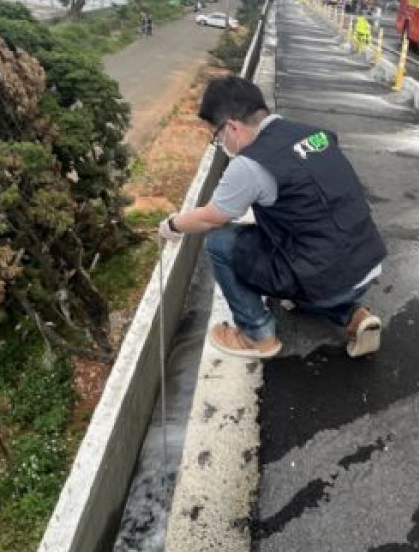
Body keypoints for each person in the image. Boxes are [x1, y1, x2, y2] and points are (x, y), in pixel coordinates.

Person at [159, 75, 386, 359]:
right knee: (304, 248)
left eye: (217, 136)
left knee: (220, 242)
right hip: (365, 264)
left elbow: (211, 217)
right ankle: (354, 316)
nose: (220, 142)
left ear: (231, 126)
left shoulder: (250, 164)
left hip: (326, 278)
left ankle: (256, 335)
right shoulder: (312, 133)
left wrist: (172, 225)